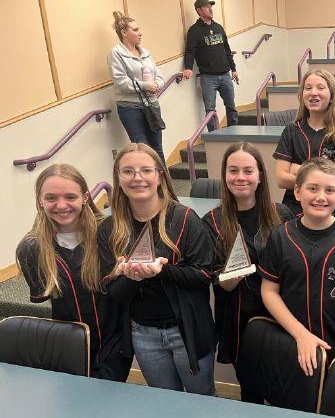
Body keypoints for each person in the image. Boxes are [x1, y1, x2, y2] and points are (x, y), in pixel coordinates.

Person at [98, 143, 216, 395]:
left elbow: (204, 275)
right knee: (164, 403)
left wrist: (163, 271)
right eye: (128, 171)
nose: (137, 177)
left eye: (146, 170)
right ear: (118, 178)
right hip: (143, 334)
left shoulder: (185, 219)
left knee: (203, 401)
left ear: (160, 175)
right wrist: (131, 278)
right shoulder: (109, 229)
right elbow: (112, 292)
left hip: (188, 331)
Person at [260, 158, 335, 376]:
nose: (321, 197)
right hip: (293, 346)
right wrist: (300, 334)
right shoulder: (280, 237)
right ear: (297, 192)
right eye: (312, 188)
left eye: (329, 190)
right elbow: (269, 291)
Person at [16, 164, 131, 381]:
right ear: (40, 200)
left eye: (70, 197)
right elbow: (43, 295)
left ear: (85, 197)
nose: (61, 205)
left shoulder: (110, 232)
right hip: (67, 346)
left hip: (114, 343)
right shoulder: (31, 248)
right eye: (51, 198)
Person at [203, 142, 293, 402]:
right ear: (224, 175)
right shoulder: (211, 221)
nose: (240, 177)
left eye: (248, 171)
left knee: (283, 387)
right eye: (233, 170)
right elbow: (216, 280)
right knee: (250, 388)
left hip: (281, 316)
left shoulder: (281, 214)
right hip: (237, 319)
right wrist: (229, 279)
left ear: (260, 176)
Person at [274, 69, 335, 221]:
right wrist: (322, 175)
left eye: (320, 88)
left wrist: (296, 168)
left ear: (332, 95)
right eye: (308, 88)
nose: (313, 93)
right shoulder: (291, 130)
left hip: (332, 205)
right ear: (302, 95)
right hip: (295, 204)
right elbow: (281, 179)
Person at [108, 11, 165, 162]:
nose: (140, 33)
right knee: (143, 148)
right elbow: (121, 81)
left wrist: (157, 84)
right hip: (130, 107)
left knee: (157, 148)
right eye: (135, 30)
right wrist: (146, 85)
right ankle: (149, 176)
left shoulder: (145, 52)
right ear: (124, 33)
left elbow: (158, 75)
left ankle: (164, 177)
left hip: (151, 104)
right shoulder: (116, 53)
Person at [183, 0, 239, 129]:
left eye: (211, 6)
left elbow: (227, 50)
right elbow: (190, 51)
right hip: (208, 77)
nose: (210, 9)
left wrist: (234, 69)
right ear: (199, 11)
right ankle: (214, 137)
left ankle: (234, 133)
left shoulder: (218, 27)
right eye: (207, 7)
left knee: (231, 107)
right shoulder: (194, 30)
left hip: (225, 75)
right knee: (210, 111)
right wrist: (188, 67)